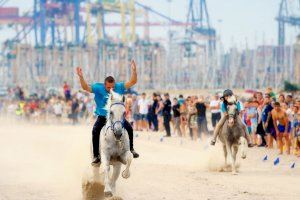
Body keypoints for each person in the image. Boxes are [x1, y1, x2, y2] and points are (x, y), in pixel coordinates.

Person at [76, 60, 139, 166]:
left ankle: (131, 149)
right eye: (108, 87)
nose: (111, 90)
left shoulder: (119, 86)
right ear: (104, 85)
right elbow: (85, 87)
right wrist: (81, 77)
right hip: (103, 116)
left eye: (113, 87)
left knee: (129, 128)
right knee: (95, 131)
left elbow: (132, 82)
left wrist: (134, 71)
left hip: (116, 117)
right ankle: (96, 155)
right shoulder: (98, 87)